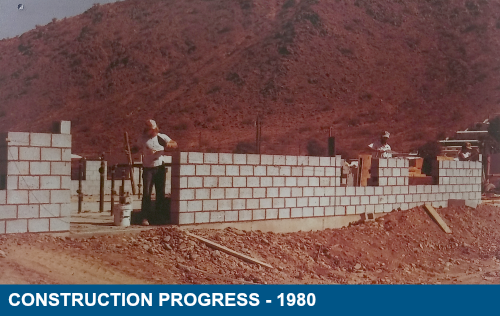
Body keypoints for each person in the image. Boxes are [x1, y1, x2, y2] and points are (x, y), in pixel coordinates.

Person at [131, 119, 177, 226]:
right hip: (148, 168)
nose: (152, 132)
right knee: (146, 193)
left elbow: (174, 144)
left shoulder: (161, 137)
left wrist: (169, 145)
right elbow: (136, 148)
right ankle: (145, 217)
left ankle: (159, 217)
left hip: (160, 167)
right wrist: (130, 150)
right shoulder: (142, 139)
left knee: (160, 193)